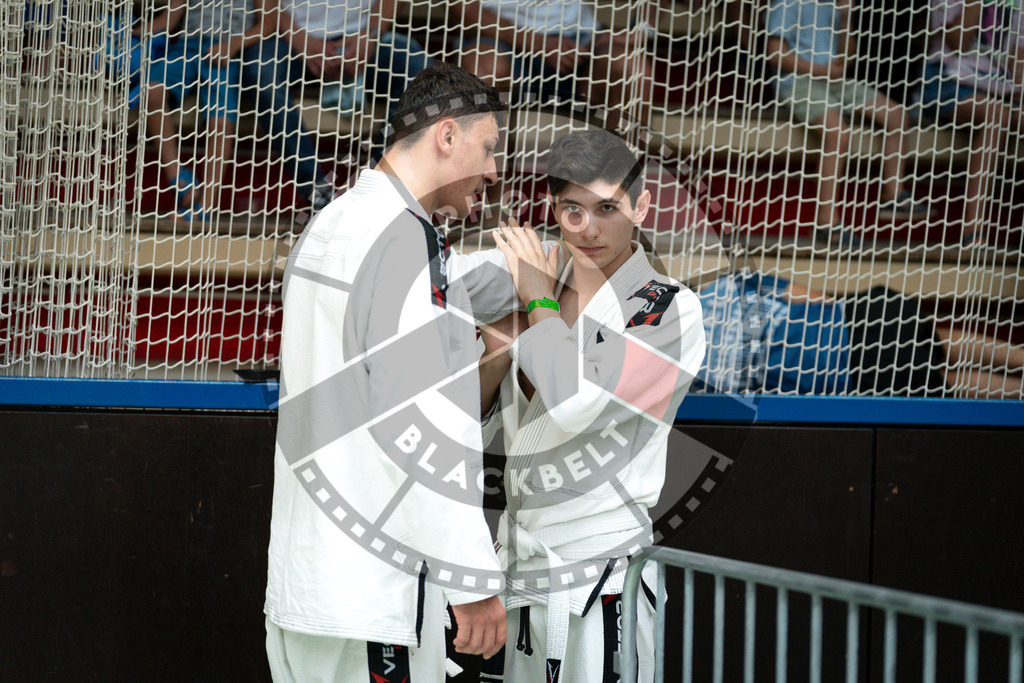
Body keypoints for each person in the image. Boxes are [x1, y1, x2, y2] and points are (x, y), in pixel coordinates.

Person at [264, 63, 513, 681]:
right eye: (488, 149)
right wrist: (473, 578)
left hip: (311, 587)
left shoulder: (337, 223)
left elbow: (452, 289)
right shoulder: (402, 241)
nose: (495, 171)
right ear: (446, 136)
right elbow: (420, 413)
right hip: (371, 596)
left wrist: (536, 270)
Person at [477, 129, 706, 682]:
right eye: (572, 209)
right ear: (553, 210)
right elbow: (473, 420)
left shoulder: (667, 309)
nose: (589, 228)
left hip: (601, 574)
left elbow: (575, 403)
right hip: (523, 571)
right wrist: (494, 348)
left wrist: (535, 300)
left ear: (642, 206)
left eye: (607, 208)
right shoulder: (533, 293)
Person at [696, 269, 1024, 399]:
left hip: (846, 334)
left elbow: (791, 290)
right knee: (943, 373)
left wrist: (835, 309)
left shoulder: (717, 290)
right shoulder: (694, 375)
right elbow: (794, 292)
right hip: (844, 368)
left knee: (935, 341)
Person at [765, 0, 931, 247]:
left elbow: (847, 58)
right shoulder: (789, 3)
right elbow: (775, 54)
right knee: (837, 132)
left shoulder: (835, 4)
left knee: (898, 116)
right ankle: (827, 224)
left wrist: (846, 17)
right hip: (799, 81)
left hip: (835, 82)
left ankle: (893, 196)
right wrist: (821, 72)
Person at [240, 0, 430, 212]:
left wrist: (370, 35)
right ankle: (317, 194)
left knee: (418, 66)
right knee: (261, 71)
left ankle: (378, 184)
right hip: (292, 38)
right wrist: (299, 38)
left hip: (364, 36)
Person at [142, 0, 271, 221]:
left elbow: (270, 22)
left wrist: (234, 45)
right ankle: (179, 180)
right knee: (151, 91)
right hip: (186, 47)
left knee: (219, 120)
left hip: (227, 47)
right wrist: (129, 35)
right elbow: (169, 18)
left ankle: (205, 205)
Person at [912, 0, 1024, 245]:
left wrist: (1018, 92)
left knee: (1006, 112)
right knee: (997, 115)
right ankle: (973, 232)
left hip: (995, 85)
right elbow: (958, 43)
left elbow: (1017, 60)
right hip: (945, 77)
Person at [458, 0, 654, 129]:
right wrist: (538, 43)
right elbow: (460, 7)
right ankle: (489, 190)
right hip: (497, 35)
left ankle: (614, 190)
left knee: (633, 70)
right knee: (480, 70)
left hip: (579, 37)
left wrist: (641, 31)